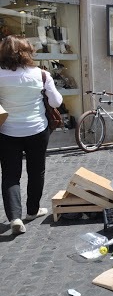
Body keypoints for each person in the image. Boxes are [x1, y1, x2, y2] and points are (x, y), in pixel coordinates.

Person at [0, 35, 63, 234]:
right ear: (27, 52)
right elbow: (56, 103)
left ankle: (14, 217)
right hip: (37, 130)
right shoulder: (41, 75)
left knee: (10, 175)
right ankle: (32, 210)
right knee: (37, 171)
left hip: (7, 131)